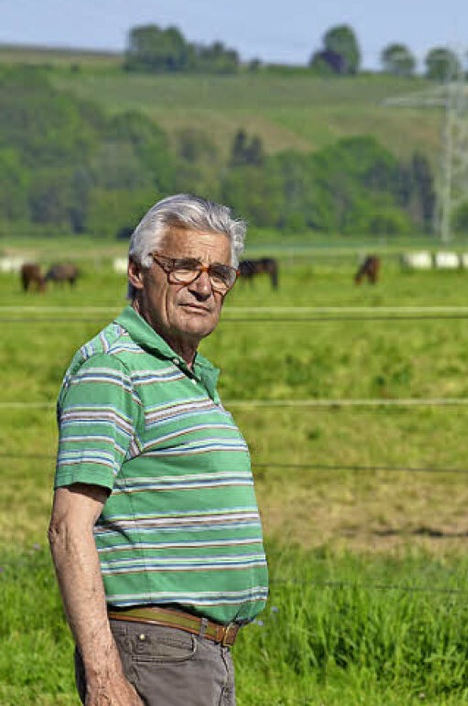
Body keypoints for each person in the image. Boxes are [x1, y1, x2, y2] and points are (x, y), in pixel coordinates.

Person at [48, 194, 268, 706]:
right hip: (155, 652)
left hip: (195, 652)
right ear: (138, 272)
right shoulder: (114, 370)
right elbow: (68, 527)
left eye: (220, 273)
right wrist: (105, 677)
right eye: (184, 266)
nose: (203, 285)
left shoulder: (180, 373)